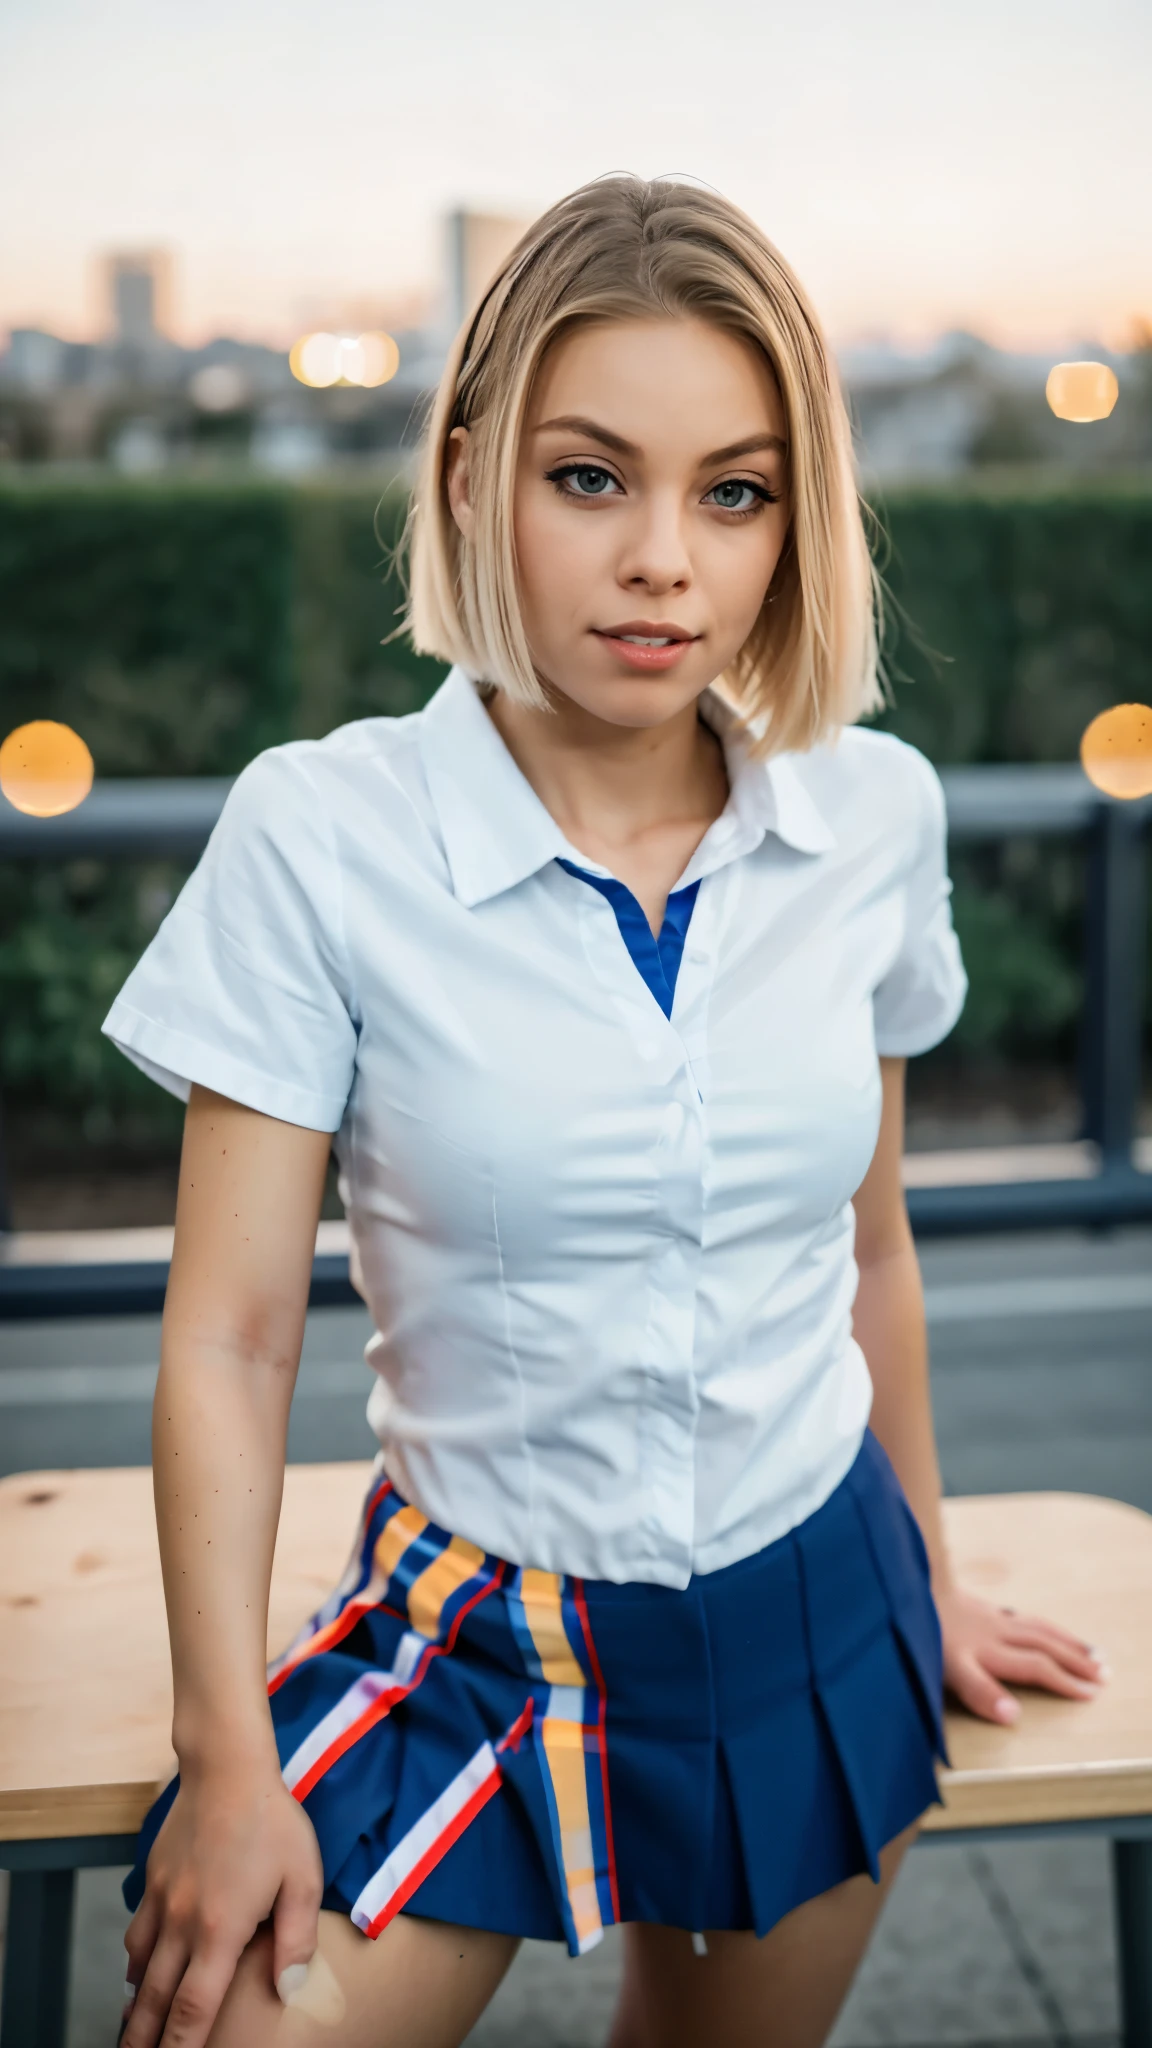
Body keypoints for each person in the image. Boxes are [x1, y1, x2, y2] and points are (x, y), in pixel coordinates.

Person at [106, 175, 1105, 2048]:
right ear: (474, 477)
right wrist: (224, 1759)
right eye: (592, 478)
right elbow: (231, 1342)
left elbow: (870, 1248)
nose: (666, 559)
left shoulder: (869, 818)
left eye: (734, 491)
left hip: (812, 1607)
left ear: (796, 520)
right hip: (468, 1638)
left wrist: (938, 1579)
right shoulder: (322, 837)